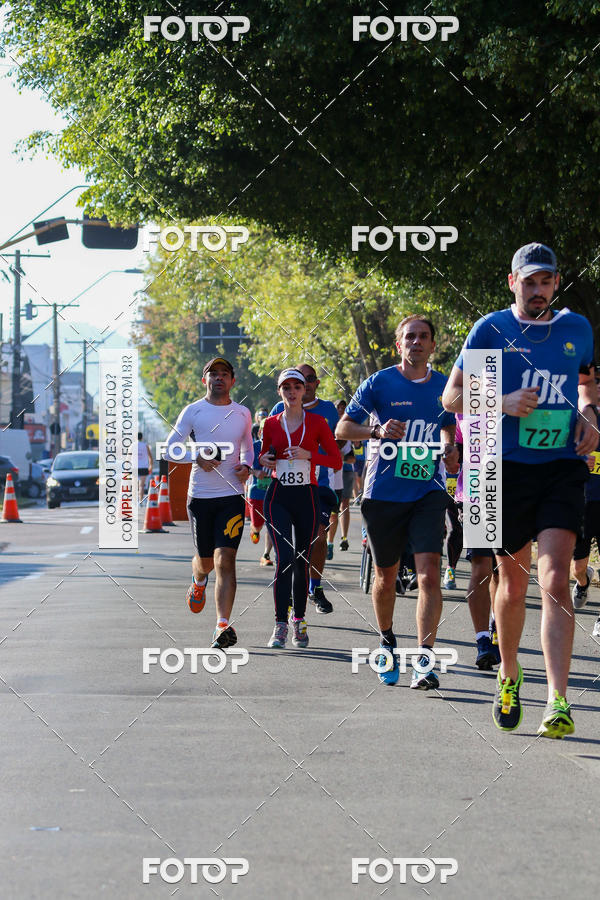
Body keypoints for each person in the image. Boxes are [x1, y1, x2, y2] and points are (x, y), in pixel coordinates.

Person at [442, 242, 598, 738]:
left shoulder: (576, 328)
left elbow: (587, 383)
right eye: (528, 282)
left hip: (561, 466)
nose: (537, 291)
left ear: (556, 282)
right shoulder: (491, 329)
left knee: (554, 580)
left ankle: (557, 700)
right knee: (511, 585)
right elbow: (451, 397)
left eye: (545, 281)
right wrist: (501, 400)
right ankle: (509, 673)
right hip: (500, 469)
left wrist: (591, 413)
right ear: (513, 282)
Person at [336, 315, 456, 689]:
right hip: (384, 493)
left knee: (429, 574)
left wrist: (450, 446)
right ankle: (387, 640)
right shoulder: (379, 383)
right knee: (385, 578)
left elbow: (450, 422)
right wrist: (375, 430)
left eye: (424, 336)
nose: (417, 342)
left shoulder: (445, 386)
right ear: (399, 345)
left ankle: (425, 659)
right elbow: (343, 428)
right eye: (410, 337)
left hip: (428, 491)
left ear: (433, 345)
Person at [162, 357, 253, 649]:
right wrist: (195, 458)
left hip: (232, 497)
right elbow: (169, 449)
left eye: (224, 374)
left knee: (225, 560)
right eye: (213, 374)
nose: (219, 378)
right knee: (206, 563)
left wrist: (247, 467)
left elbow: (249, 448)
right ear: (205, 381)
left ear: (232, 381)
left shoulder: (242, 413)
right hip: (200, 498)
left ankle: (222, 626)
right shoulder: (193, 411)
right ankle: (198, 580)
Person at [260, 368, 342, 648]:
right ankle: (280, 624)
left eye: (297, 387)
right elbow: (264, 455)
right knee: (283, 559)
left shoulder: (318, 422)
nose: (292, 392)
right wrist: (267, 460)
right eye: (287, 387)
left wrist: (311, 455)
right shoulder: (270, 423)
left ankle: (299, 620)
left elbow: (336, 461)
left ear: (305, 390)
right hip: (278, 496)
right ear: (280, 391)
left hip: (307, 495)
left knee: (300, 560)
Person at [571, 399, 600, 613]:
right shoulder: (576, 417)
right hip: (583, 502)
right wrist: (578, 460)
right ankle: (583, 582)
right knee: (577, 568)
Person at [247, 422, 274, 565]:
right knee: (258, 524)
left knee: (271, 524)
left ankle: (266, 555)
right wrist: (255, 471)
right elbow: (241, 465)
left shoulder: (278, 446)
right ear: (260, 433)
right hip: (257, 492)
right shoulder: (255, 446)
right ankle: (255, 530)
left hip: (274, 492)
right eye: (265, 430)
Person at [137, 432, 153, 498]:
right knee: (141, 485)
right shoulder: (146, 445)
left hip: (134, 467)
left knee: (134, 485)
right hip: (144, 467)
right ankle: (140, 500)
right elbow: (150, 457)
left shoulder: (132, 446)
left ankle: (134, 502)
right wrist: (151, 466)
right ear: (142, 437)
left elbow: (128, 457)